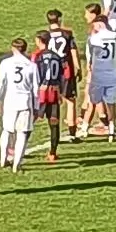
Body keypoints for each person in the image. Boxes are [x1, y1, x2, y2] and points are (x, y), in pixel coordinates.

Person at [0, 38, 39, 173]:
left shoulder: (6, 63)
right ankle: (16, 164)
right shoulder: (31, 65)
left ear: (13, 48)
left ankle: (3, 159)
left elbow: (0, 83)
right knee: (22, 133)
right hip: (25, 102)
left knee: (6, 130)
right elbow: (36, 89)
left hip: (10, 101)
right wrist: (36, 107)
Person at [45, 9, 83, 142]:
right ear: (59, 19)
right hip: (66, 69)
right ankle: (72, 133)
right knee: (70, 100)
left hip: (51, 71)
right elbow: (73, 51)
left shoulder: (46, 35)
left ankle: (54, 134)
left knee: (54, 103)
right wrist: (78, 68)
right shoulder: (67, 34)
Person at [83, 17, 116, 142]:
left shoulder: (94, 39)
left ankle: (85, 128)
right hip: (112, 71)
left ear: (99, 24)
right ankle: (112, 129)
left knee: (92, 100)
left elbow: (90, 59)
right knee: (111, 103)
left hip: (99, 72)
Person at [33, 31, 65, 162]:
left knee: (29, 120)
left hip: (41, 91)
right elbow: (62, 75)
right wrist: (60, 92)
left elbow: (34, 73)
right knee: (54, 123)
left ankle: (16, 148)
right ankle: (53, 152)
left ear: (39, 40)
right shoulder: (57, 56)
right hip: (54, 91)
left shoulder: (37, 56)